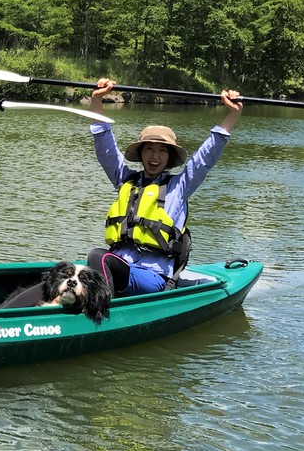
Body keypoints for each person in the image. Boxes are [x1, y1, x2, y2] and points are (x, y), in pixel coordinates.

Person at [85, 78, 243, 296]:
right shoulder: (125, 179)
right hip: (118, 265)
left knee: (98, 257)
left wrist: (232, 115)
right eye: (149, 149)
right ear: (140, 154)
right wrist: (97, 100)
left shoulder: (179, 187)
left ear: (169, 157)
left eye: (162, 151)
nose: (155, 156)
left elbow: (205, 158)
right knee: (66, 271)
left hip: (152, 277)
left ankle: (102, 315)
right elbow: (106, 149)